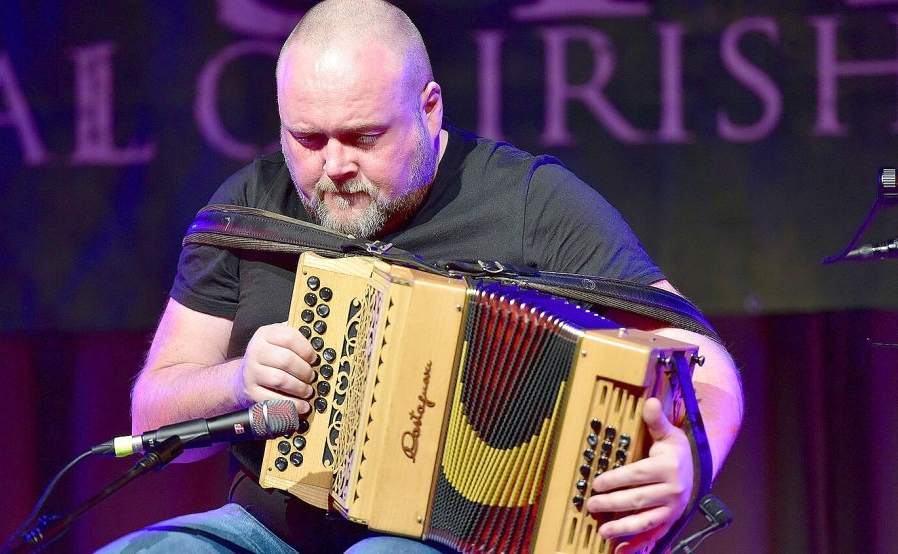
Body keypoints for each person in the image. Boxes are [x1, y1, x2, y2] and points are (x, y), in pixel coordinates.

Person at [102, 1, 743, 552]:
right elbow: (155, 413)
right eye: (306, 137)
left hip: (458, 542)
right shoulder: (247, 211)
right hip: (272, 533)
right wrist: (237, 381)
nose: (334, 166)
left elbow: (706, 366)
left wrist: (687, 462)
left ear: (429, 108)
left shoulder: (529, 202)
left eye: (363, 135)